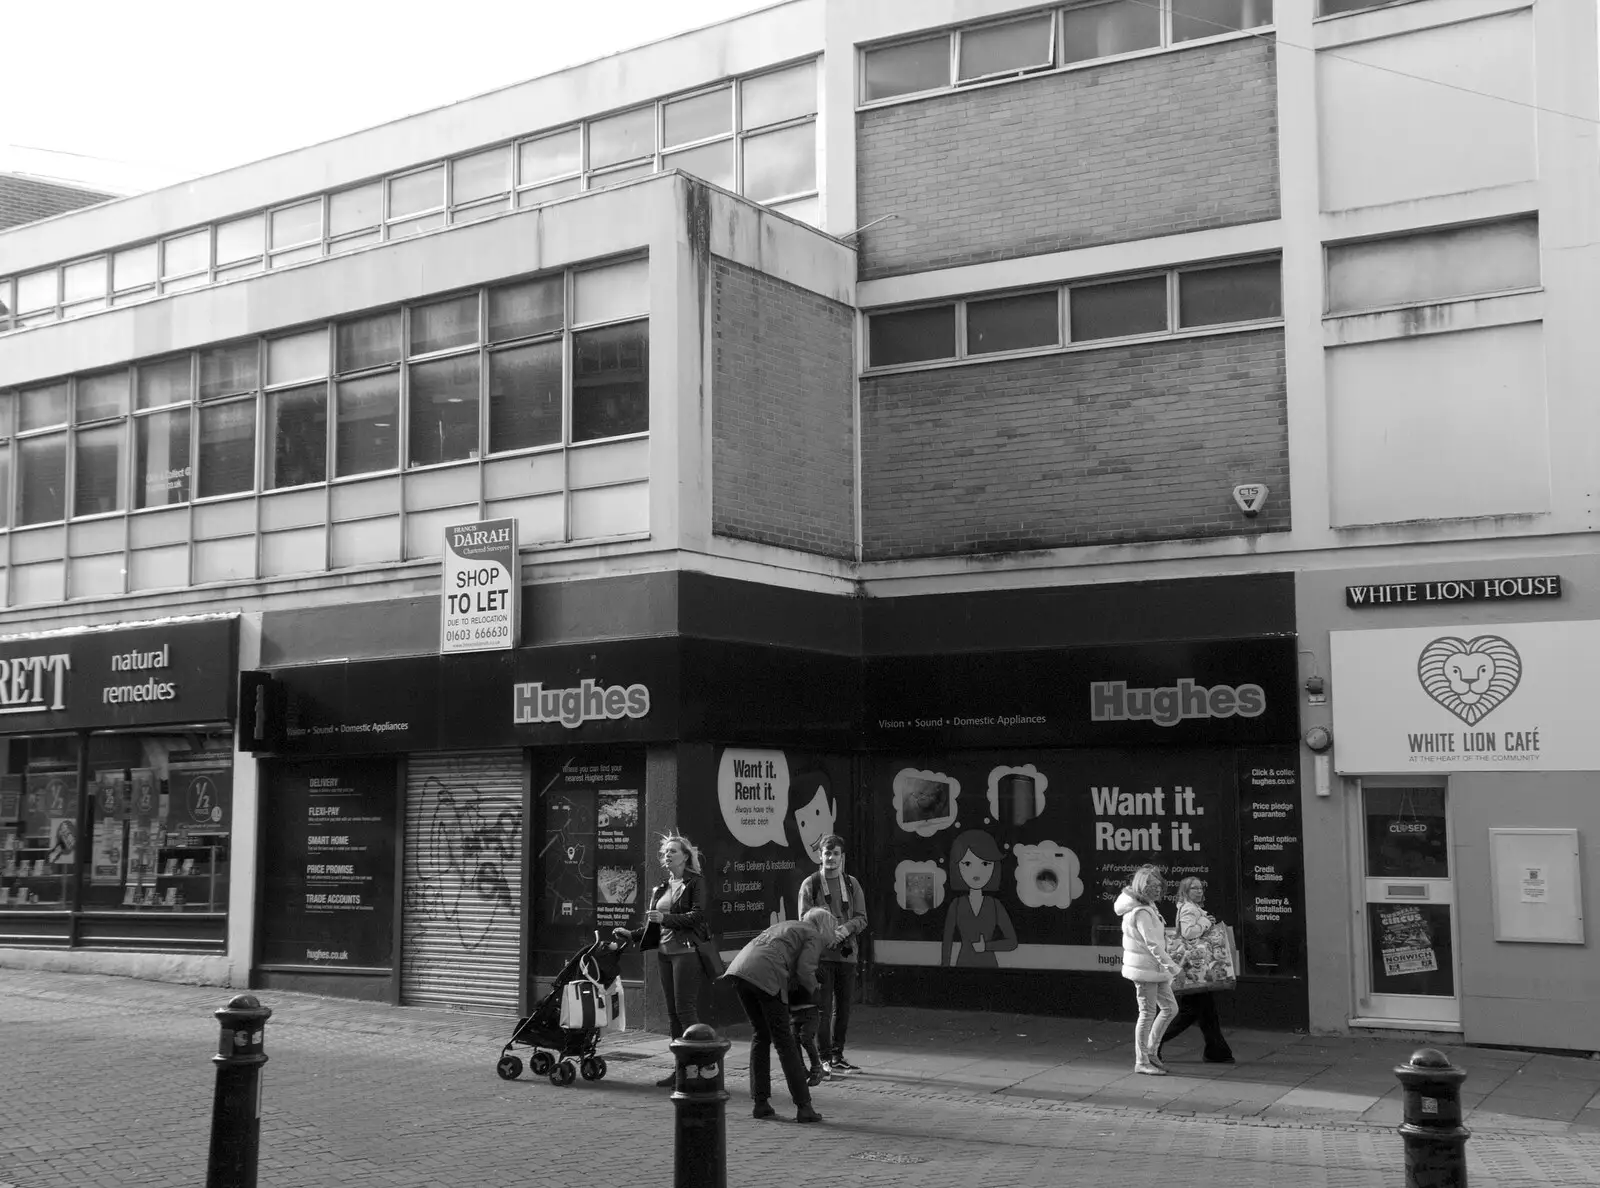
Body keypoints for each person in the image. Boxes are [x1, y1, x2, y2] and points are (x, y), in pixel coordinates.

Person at [723, 906, 836, 1123]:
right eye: (832, 929)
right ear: (824, 926)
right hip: (766, 974)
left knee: (760, 1035)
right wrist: (815, 992)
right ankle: (804, 1106)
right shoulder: (813, 934)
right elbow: (805, 970)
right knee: (785, 1041)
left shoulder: (787, 926)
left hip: (741, 970)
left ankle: (761, 1103)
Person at [616, 834, 707, 1088]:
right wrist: (632, 935)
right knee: (673, 1014)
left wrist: (664, 919)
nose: (667, 855)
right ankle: (680, 1069)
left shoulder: (695, 883)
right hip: (665, 954)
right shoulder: (662, 886)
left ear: (685, 856)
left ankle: (703, 1066)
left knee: (685, 1010)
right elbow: (652, 924)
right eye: (665, 851)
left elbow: (697, 917)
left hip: (686, 953)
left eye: (673, 851)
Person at [797, 833, 868, 1075]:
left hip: (848, 955)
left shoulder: (852, 884)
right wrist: (829, 933)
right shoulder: (811, 884)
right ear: (820, 855)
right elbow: (804, 922)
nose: (831, 857)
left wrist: (846, 928)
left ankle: (838, 1055)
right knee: (823, 1009)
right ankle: (824, 1058)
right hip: (822, 956)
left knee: (844, 1008)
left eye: (836, 853)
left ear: (842, 857)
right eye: (827, 853)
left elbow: (862, 918)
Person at [1159, 876, 1234, 1064]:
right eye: (1194, 888)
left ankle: (1217, 1052)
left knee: (1208, 1014)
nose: (1199, 891)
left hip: (1197, 970)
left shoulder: (1191, 907)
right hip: (1196, 969)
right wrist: (1206, 923)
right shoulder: (1189, 909)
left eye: (1200, 888)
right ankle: (1152, 1042)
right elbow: (1188, 933)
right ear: (1185, 891)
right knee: (1188, 1014)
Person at [1114, 864, 1180, 1076]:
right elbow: (1152, 944)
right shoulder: (1141, 911)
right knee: (1147, 1013)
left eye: (1159, 884)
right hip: (1146, 971)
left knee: (1170, 1008)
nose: (1158, 888)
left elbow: (1155, 941)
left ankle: (1151, 1052)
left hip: (1154, 969)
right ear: (1143, 886)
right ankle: (1142, 1060)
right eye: (1153, 885)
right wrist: (1174, 968)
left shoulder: (1148, 906)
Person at [940, 829, 1017, 968]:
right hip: (963, 964)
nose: (977, 871)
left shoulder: (995, 905)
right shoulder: (956, 905)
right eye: (968, 864)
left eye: (985, 864)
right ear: (957, 866)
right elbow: (947, 942)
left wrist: (986, 946)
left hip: (989, 966)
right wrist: (944, 970)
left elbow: (1012, 942)